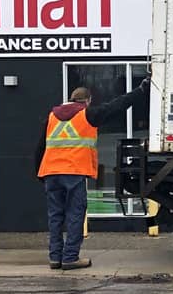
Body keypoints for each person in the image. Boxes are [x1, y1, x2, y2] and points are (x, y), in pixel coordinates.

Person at [35, 79, 150, 270]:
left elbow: (40, 148)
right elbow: (116, 106)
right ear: (87, 100)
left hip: (51, 173)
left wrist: (40, 173)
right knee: (75, 213)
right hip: (73, 172)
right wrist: (140, 91)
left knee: (55, 216)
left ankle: (55, 257)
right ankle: (70, 258)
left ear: (71, 99)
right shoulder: (88, 114)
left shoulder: (51, 117)